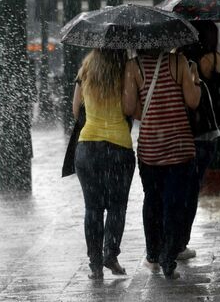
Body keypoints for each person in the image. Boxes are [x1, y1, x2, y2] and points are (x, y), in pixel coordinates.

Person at [122, 48, 200, 280]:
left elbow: (128, 108)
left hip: (150, 149)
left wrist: (149, 113)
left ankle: (153, 254)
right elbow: (193, 101)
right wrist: (194, 78)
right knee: (174, 203)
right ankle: (168, 256)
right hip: (179, 145)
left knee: (152, 200)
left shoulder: (133, 67)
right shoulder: (178, 62)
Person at [72, 49, 135, 280]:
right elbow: (129, 108)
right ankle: (111, 253)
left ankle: (95, 264)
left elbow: (75, 108)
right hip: (118, 147)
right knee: (117, 207)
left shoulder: (86, 68)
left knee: (93, 208)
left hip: (87, 148)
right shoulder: (126, 69)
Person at [178, 20, 220, 260]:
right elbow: (217, 92)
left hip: (184, 131)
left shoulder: (183, 61)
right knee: (192, 190)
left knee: (180, 188)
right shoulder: (213, 59)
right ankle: (182, 240)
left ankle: (174, 238)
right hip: (207, 133)